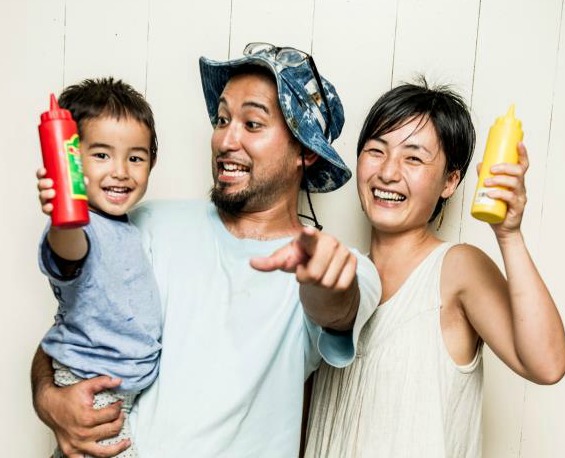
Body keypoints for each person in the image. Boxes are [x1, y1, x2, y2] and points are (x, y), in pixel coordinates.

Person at [31, 43, 381, 457]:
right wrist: (47, 397)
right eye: (222, 119)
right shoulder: (142, 223)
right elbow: (74, 332)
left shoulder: (340, 265)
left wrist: (325, 281)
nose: (226, 140)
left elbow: (337, 307)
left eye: (252, 123)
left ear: (304, 151)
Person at [305, 79, 565, 457]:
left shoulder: (456, 269)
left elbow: (547, 364)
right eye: (376, 151)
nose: (388, 172)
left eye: (413, 158)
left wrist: (509, 235)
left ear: (450, 181)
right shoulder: (335, 280)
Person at [35, 77, 162, 458]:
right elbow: (70, 252)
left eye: (135, 158)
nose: (120, 171)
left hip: (118, 388)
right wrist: (63, 215)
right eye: (102, 155)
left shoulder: (125, 226)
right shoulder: (81, 227)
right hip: (91, 383)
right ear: (72, 160)